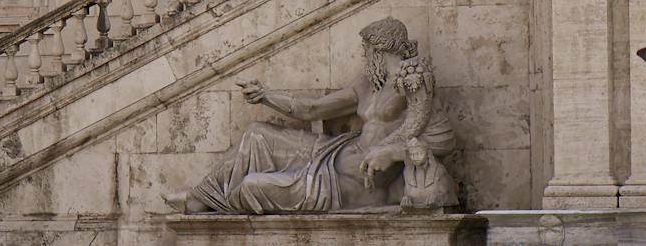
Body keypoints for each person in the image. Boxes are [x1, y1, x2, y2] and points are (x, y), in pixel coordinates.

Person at [165, 17, 455, 214]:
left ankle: (215, 200)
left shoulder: (415, 83)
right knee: (257, 134)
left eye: (366, 52)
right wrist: (266, 96)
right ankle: (200, 198)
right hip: (331, 152)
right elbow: (313, 109)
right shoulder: (368, 83)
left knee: (253, 185)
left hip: (350, 186)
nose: (364, 59)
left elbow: (443, 140)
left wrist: (393, 152)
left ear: (379, 51)